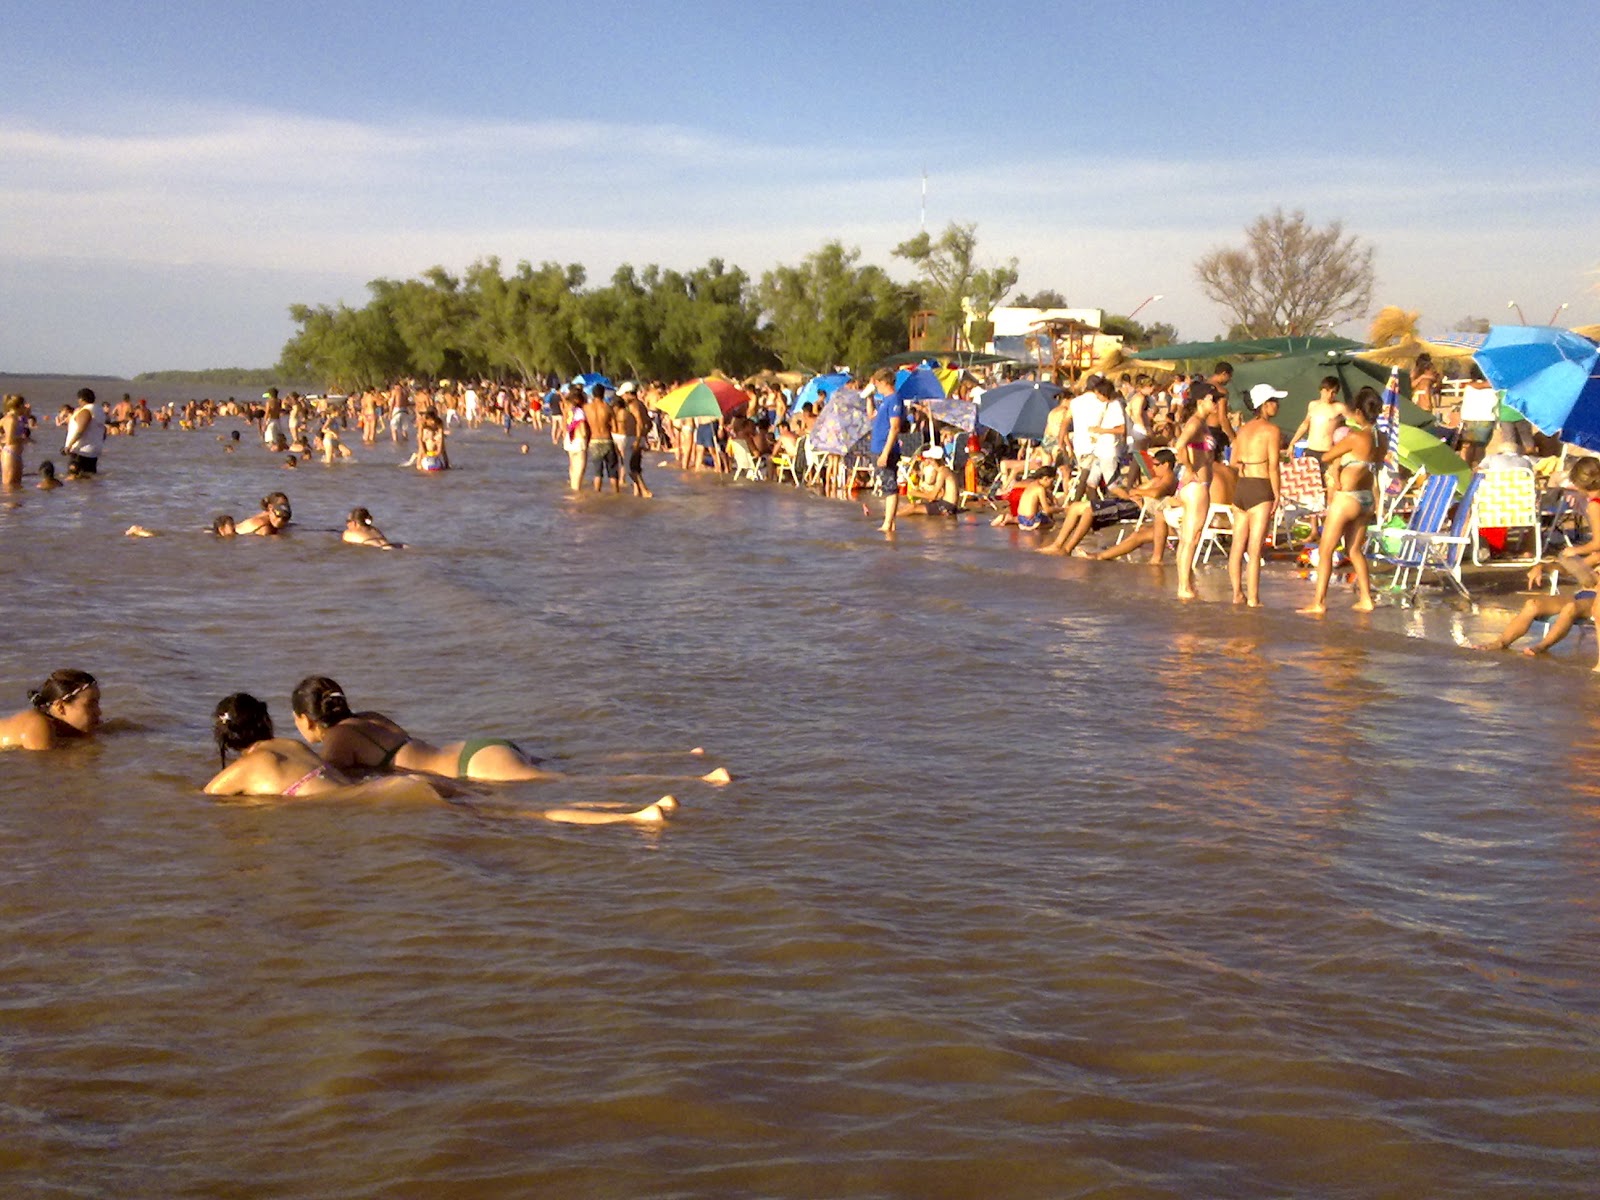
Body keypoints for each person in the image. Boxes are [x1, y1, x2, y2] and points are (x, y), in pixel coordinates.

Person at [290, 675, 731, 788]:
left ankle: (694, 779)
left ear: (307, 721)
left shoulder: (336, 740)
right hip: (476, 747)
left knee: (577, 783)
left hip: (474, 768)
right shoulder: (368, 716)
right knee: (573, 767)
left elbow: (330, 787)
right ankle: (684, 757)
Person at [1299, 386, 1386, 616]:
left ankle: (1319, 602)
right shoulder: (1381, 437)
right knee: (1355, 550)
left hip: (1347, 498)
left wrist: (1339, 457)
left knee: (1326, 549)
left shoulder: (1356, 436)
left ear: (1358, 412)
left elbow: (1327, 456)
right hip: (1367, 498)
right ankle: (1366, 598)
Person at [1229, 384, 1286, 607]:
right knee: (1254, 549)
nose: (1277, 405)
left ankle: (1236, 594)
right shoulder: (1272, 431)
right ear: (1264, 404)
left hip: (1242, 487)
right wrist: (1277, 493)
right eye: (1274, 401)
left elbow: (1233, 461)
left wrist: (1246, 464)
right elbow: (1273, 466)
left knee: (1237, 546)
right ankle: (1253, 598)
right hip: (1261, 487)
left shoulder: (1243, 429)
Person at [1173, 384, 1222, 600]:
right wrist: (1190, 469)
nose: (1217, 403)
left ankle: (1185, 583)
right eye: (1213, 399)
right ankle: (1184, 586)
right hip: (1197, 486)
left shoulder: (1201, 423)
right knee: (1192, 537)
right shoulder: (1195, 423)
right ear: (1201, 401)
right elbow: (1179, 445)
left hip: (1195, 485)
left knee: (1187, 537)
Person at [0, 669, 101, 750]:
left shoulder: (68, 727)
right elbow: (46, 769)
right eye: (90, 705)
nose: (99, 712)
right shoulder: (38, 725)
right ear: (61, 707)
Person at [868, 369, 905, 533]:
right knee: (885, 484)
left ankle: (888, 523)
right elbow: (871, 415)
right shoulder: (885, 400)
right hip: (878, 446)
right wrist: (868, 397)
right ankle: (890, 523)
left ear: (884, 382)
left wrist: (885, 452)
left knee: (890, 486)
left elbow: (895, 427)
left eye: (877, 383)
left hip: (886, 448)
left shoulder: (894, 399)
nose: (876, 386)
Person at [1457, 365, 1499, 468]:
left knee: (1467, 446)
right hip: (1486, 418)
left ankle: (1465, 468)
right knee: (1480, 447)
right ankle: (1476, 468)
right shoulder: (1494, 387)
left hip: (1469, 418)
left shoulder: (1469, 387)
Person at [583, 384, 621, 492]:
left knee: (597, 472)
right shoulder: (608, 408)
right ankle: (616, 494)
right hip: (607, 439)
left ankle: (597, 494)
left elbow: (585, 425)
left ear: (592, 394)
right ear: (603, 393)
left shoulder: (586, 408)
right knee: (612, 471)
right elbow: (615, 428)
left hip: (594, 441)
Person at [62, 387, 106, 475]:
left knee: (74, 479)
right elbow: (104, 430)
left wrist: (69, 446)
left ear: (81, 399)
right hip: (93, 451)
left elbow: (81, 430)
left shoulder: (86, 411)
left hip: (81, 451)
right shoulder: (99, 411)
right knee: (89, 479)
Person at [1, 394, 29, 490]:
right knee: (9, 484)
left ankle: (17, 503)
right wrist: (24, 439)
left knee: (17, 485)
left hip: (17, 454)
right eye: (23, 405)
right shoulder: (11, 419)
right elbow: (10, 440)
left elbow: (25, 418)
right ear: (19, 406)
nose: (25, 407)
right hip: (10, 453)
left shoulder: (17, 418)